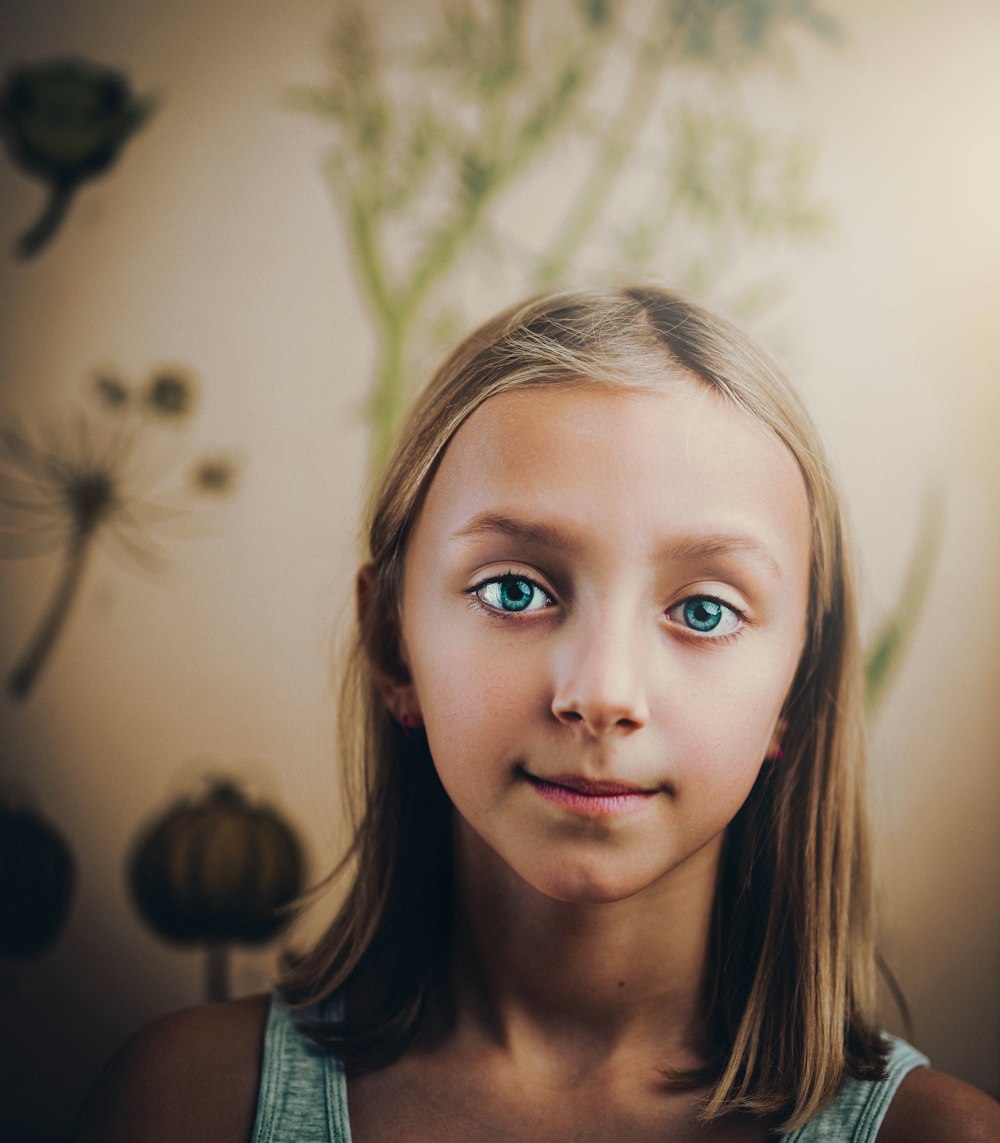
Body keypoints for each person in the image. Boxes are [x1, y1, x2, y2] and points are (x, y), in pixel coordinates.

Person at [74, 287, 1000, 1142]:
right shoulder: (182, 1105)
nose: (601, 692)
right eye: (515, 589)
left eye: (704, 610)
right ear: (394, 647)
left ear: (793, 693)